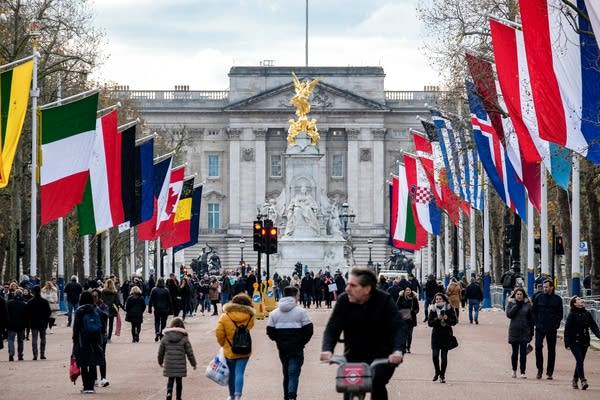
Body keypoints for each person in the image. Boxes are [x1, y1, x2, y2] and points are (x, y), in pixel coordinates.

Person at [321, 267, 405, 400]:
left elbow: (398, 328)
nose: (347, 289)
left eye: (353, 285)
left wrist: (398, 351)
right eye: (348, 284)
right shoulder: (344, 300)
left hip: (382, 356)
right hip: (354, 352)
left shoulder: (385, 301)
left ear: (367, 289)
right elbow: (333, 328)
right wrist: (327, 349)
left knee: (377, 383)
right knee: (349, 384)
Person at [267, 286, 314, 400]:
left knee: (286, 374)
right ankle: (291, 395)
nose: (298, 297)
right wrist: (301, 342)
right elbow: (309, 330)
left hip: (282, 347)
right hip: (296, 347)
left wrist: (279, 340)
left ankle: (286, 396)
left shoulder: (274, 313)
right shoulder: (301, 312)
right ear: (294, 296)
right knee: (293, 374)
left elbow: (270, 331)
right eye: (298, 295)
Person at [215, 293, 256, 400]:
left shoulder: (225, 316)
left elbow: (219, 332)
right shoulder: (250, 316)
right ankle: (238, 395)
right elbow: (250, 327)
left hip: (229, 349)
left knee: (231, 373)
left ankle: (231, 395)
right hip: (245, 348)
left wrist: (223, 344)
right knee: (240, 372)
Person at [72, 291, 106, 394]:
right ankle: (91, 387)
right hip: (95, 339)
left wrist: (75, 340)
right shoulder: (96, 309)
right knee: (92, 363)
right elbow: (103, 325)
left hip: (82, 340)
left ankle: (85, 386)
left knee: (83, 363)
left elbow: (76, 328)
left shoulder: (79, 311)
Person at [564, 296, 600, 390]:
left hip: (584, 340)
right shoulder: (572, 314)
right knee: (579, 360)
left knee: (580, 361)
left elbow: (594, 327)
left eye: (581, 299)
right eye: (579, 300)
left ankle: (574, 379)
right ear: (575, 303)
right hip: (574, 341)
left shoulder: (587, 313)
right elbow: (567, 329)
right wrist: (566, 343)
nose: (581, 300)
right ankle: (583, 380)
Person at [158, 317, 197, 400]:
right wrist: (193, 364)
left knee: (170, 380)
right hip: (180, 364)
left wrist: (160, 361)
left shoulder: (165, 338)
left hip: (169, 364)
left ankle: (169, 393)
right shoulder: (184, 338)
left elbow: (160, 352)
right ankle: (178, 397)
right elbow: (190, 353)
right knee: (179, 381)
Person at [532, 279, 563, 380]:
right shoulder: (538, 297)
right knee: (537, 347)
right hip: (540, 327)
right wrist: (536, 323)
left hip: (551, 328)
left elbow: (560, 314)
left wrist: (556, 325)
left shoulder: (557, 299)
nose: (544, 289)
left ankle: (550, 372)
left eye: (546, 287)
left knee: (551, 350)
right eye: (543, 287)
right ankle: (539, 369)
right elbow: (534, 312)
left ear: (551, 287)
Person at [427, 292, 457, 383]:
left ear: (443, 299)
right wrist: (438, 319)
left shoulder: (449, 308)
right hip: (436, 335)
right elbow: (430, 323)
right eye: (437, 299)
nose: (438, 300)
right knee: (435, 356)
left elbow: (454, 322)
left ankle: (442, 375)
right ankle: (437, 372)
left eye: (440, 299)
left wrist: (447, 318)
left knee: (444, 357)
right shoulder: (432, 309)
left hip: (446, 334)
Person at [506, 288, 534, 379]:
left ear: (524, 295)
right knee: (514, 352)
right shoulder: (511, 303)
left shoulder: (528, 305)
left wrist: (531, 333)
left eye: (521, 294)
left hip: (525, 331)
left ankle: (523, 372)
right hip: (514, 331)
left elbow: (531, 320)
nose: (519, 296)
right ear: (515, 295)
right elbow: (509, 315)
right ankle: (514, 370)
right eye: (517, 294)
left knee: (523, 353)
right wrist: (517, 306)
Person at [25, 285, 51, 361]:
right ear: (40, 291)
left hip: (33, 322)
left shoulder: (30, 302)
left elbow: (27, 313)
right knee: (43, 338)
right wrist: (46, 319)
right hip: (43, 322)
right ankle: (42, 354)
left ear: (33, 292)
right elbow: (48, 312)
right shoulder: (45, 301)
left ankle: (35, 355)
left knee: (34, 338)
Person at [91, 288, 110, 387]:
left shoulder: (103, 306)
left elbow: (105, 316)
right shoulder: (88, 307)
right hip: (91, 334)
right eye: (93, 296)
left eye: (95, 296)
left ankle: (103, 377)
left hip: (101, 334)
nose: (94, 298)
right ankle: (94, 378)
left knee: (102, 355)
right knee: (92, 356)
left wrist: (97, 308)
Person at [396, 286, 419, 353]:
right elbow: (397, 306)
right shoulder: (401, 297)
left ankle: (408, 347)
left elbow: (417, 308)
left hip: (411, 319)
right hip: (403, 319)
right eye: (407, 290)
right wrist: (402, 312)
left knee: (409, 334)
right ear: (404, 291)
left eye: (409, 290)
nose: (408, 291)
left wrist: (413, 312)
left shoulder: (414, 299)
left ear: (411, 291)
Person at [6, 289, 27, 361]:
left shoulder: (9, 303)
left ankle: (11, 353)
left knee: (10, 339)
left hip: (11, 324)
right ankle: (20, 355)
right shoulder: (24, 304)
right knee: (20, 340)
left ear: (14, 295)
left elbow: (7, 314)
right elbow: (26, 316)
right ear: (21, 295)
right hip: (21, 325)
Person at [149, 278, 172, 342]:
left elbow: (150, 300)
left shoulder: (154, 290)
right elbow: (169, 300)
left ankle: (157, 332)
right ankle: (162, 333)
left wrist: (150, 308)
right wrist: (171, 309)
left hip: (157, 308)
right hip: (165, 309)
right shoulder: (166, 290)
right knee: (163, 322)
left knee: (157, 321)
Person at [101, 279, 121, 343]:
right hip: (112, 308)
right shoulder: (114, 292)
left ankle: (104, 336)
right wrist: (122, 308)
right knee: (111, 324)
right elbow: (117, 302)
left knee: (104, 324)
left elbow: (101, 300)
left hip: (104, 308)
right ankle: (109, 338)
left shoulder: (103, 292)